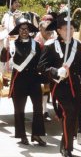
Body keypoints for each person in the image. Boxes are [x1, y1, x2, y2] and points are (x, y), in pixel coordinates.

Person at [37, 12, 81, 157]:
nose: (70, 32)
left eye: (72, 29)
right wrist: (56, 71)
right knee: (69, 112)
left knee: (73, 115)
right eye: (66, 29)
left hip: (75, 87)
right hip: (59, 87)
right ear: (58, 30)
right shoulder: (51, 45)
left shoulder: (78, 45)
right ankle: (67, 149)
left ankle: (65, 145)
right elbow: (41, 67)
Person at [0, 14, 46, 146]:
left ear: (29, 30)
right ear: (18, 30)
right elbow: (3, 59)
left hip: (34, 79)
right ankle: (22, 136)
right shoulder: (12, 44)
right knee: (19, 109)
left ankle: (36, 134)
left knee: (38, 108)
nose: (24, 31)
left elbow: (40, 63)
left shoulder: (36, 45)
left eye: (26, 29)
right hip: (19, 80)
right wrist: (5, 47)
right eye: (21, 29)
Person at [34, 14, 56, 121]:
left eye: (50, 30)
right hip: (38, 67)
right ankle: (43, 110)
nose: (48, 32)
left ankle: (48, 109)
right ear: (40, 29)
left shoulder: (52, 38)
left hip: (51, 66)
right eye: (46, 29)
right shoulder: (37, 40)